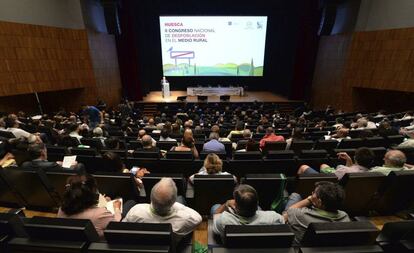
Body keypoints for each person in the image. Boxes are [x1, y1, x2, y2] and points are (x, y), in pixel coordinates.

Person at [123, 178, 202, 241]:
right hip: (173, 246)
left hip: (145, 243)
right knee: (180, 198)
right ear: (173, 202)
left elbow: (122, 226)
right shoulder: (186, 219)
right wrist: (175, 204)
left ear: (151, 197)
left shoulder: (136, 211)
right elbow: (198, 218)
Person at [283, 181, 350, 245]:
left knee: (295, 196)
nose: (312, 194)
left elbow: (288, 212)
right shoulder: (345, 216)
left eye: (314, 193)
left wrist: (309, 199)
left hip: (298, 248)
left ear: (320, 202)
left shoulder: (300, 214)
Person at [57, 174, 122, 239]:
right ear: (93, 191)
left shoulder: (61, 209)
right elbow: (116, 227)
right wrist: (117, 209)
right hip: (99, 245)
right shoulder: (101, 214)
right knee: (129, 203)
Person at [212, 184, 285, 238]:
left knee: (215, 207)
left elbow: (215, 215)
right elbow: (283, 220)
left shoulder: (223, 220)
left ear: (235, 206)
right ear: (257, 203)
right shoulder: (273, 217)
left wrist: (226, 204)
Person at [297, 147, 375, 180]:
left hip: (327, 187)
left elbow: (332, 177)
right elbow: (352, 170)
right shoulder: (373, 174)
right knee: (324, 166)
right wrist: (349, 160)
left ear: (355, 158)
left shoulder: (343, 170)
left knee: (303, 167)